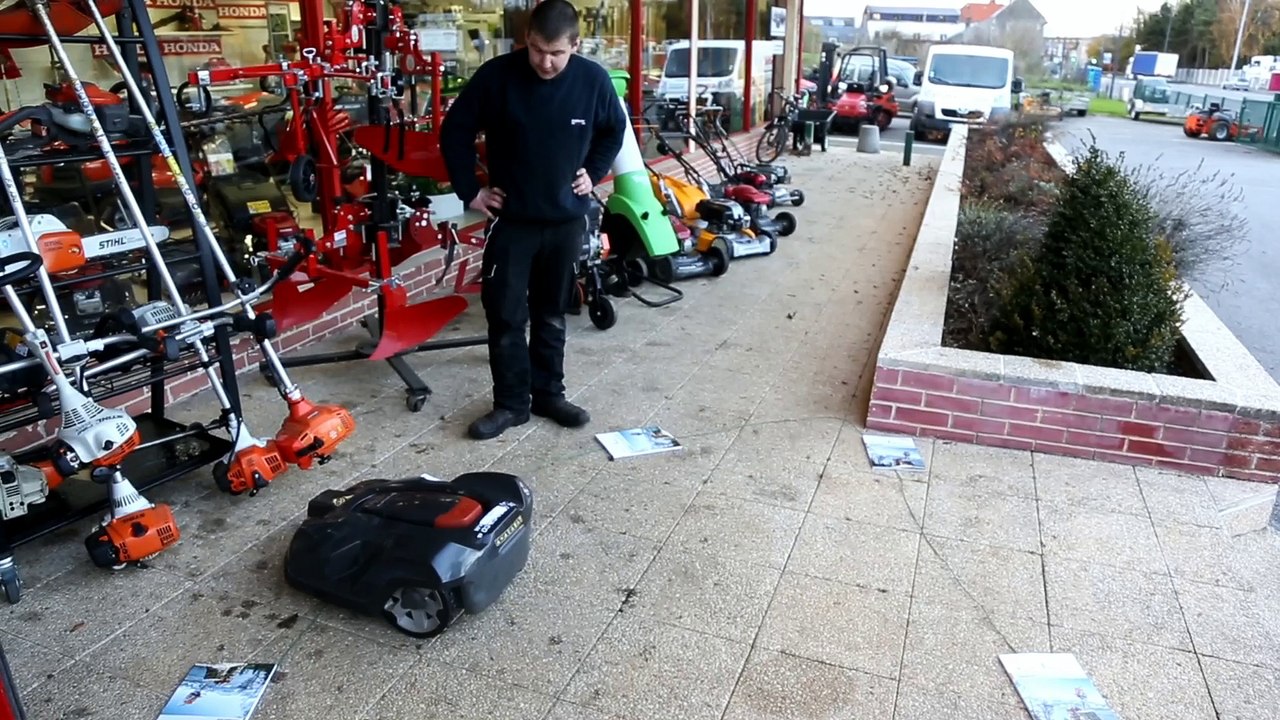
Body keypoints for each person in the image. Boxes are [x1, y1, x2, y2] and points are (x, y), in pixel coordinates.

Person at [439, 0, 627, 440]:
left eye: (556, 53)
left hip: (564, 220)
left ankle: (549, 395)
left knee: (551, 313)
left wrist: (594, 171)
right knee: (505, 316)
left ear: (575, 46)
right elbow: (456, 130)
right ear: (527, 39)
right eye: (538, 50)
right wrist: (471, 190)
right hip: (513, 221)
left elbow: (613, 131)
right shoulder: (497, 77)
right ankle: (510, 404)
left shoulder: (593, 80)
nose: (545, 61)